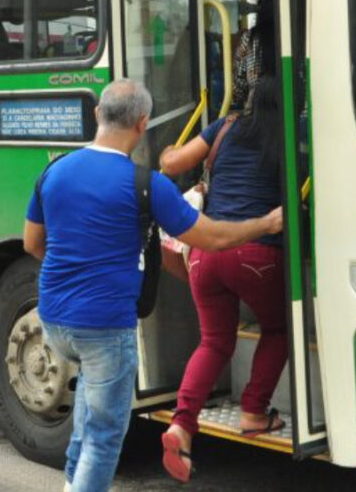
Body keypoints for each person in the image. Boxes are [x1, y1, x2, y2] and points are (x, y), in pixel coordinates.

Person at [23, 80, 283, 492]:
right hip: (105, 325)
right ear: (143, 123)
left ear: (97, 115)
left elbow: (33, 244)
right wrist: (266, 224)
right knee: (106, 436)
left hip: (54, 320)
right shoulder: (146, 184)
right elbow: (211, 238)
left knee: (88, 416)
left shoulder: (54, 172)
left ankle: (72, 483)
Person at [156, 76, 288, 482]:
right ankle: (253, 411)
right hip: (257, 251)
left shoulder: (225, 126)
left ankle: (181, 424)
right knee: (279, 329)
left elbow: (171, 164)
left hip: (205, 252)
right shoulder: (294, 130)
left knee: (214, 341)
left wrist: (167, 150)